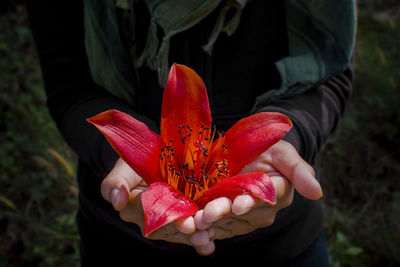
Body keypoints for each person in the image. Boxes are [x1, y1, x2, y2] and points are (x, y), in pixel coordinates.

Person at [26, 0, 356, 265]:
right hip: (119, 244)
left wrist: (293, 135)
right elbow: (69, 87)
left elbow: (332, 73)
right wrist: (118, 154)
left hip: (284, 246)